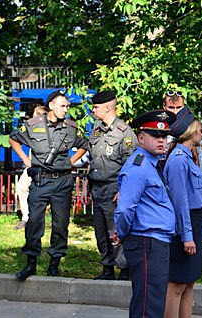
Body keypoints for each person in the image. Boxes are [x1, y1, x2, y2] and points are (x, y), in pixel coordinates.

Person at [9, 90, 88, 281]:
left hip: (62, 181)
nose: (66, 109)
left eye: (67, 106)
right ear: (51, 105)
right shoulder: (32, 125)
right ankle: (31, 264)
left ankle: (54, 264)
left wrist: (71, 161)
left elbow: (84, 144)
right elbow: (13, 139)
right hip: (41, 180)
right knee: (34, 221)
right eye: (63, 106)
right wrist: (26, 161)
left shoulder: (70, 127)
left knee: (61, 224)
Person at [114, 109, 177, 318]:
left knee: (152, 301)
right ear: (141, 138)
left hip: (154, 241)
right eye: (155, 136)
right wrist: (122, 234)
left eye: (164, 136)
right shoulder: (139, 166)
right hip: (147, 241)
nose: (162, 141)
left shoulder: (151, 163)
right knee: (148, 306)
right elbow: (124, 209)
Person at [80, 91, 138, 281]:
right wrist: (86, 185)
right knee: (101, 231)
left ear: (107, 107)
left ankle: (124, 268)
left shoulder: (124, 132)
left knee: (117, 230)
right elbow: (93, 159)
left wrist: (125, 190)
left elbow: (131, 165)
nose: (93, 110)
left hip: (114, 188)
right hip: (97, 188)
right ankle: (107, 268)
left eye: (95, 107)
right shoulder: (96, 130)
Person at [163, 107, 202, 318]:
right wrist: (187, 236)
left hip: (194, 220)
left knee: (189, 282)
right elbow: (180, 202)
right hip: (184, 223)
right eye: (200, 130)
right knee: (176, 285)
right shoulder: (178, 160)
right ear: (190, 132)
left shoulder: (188, 157)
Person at [14, 105, 48, 230]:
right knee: (22, 187)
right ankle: (26, 218)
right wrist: (25, 159)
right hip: (32, 166)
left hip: (47, 168)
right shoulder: (30, 129)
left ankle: (38, 219)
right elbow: (15, 138)